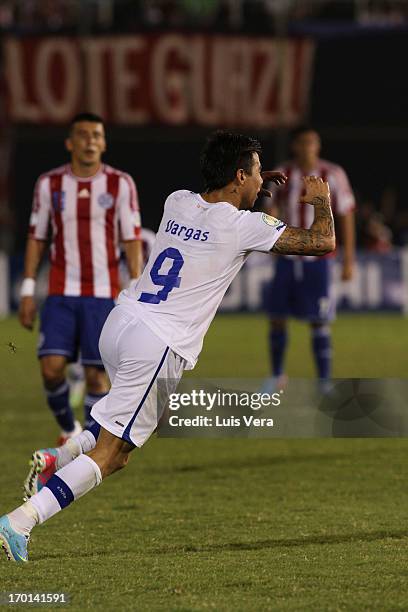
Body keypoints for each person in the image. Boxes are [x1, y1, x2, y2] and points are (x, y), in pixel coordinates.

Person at [0, 130, 335, 562]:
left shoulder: (177, 201)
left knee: (137, 432)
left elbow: (219, 197)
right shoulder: (243, 226)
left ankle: (58, 455)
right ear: (238, 176)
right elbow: (322, 242)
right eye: (253, 173)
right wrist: (320, 201)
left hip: (120, 325)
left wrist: (253, 179)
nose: (259, 180)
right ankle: (20, 521)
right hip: (157, 343)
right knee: (111, 453)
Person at [18, 112, 142, 446]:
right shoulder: (49, 184)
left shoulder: (120, 183)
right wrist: (28, 290)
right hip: (60, 292)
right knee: (51, 369)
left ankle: (85, 446)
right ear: (70, 143)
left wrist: (135, 287)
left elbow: (131, 238)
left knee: (96, 375)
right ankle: (70, 430)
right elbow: (36, 236)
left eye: (96, 136)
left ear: (103, 143)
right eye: (83, 135)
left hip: (103, 295)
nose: (90, 141)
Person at [262, 126, 355, 390]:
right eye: (303, 142)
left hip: (319, 259)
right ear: (295, 146)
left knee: (320, 319)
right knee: (277, 316)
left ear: (318, 145)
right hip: (287, 257)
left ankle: (323, 382)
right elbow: (271, 209)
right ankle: (277, 375)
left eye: (312, 142)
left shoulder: (333, 174)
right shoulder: (283, 173)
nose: (308, 147)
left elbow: (346, 215)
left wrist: (349, 259)